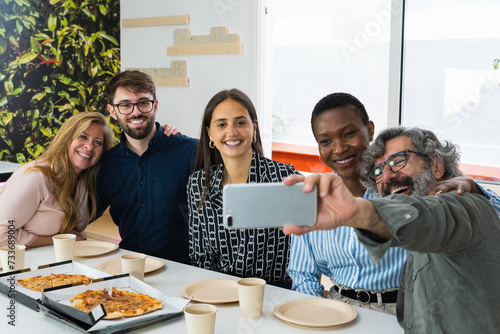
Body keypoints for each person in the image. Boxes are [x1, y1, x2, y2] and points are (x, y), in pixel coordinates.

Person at [287, 92, 500, 314]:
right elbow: (303, 274)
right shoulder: (318, 197)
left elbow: (451, 220)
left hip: (406, 307)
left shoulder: (408, 191)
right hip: (338, 308)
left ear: (369, 130)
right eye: (326, 141)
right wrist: (311, 317)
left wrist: (477, 191)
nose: (339, 149)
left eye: (349, 133)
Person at [187, 88, 299, 287]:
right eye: (222, 124)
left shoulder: (285, 178)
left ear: (254, 129)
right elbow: (199, 257)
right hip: (218, 290)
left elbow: (303, 255)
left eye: (240, 123)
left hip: (275, 293)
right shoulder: (197, 184)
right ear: (210, 134)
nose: (232, 132)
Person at [96, 70, 198, 263]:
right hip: (128, 265)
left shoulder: (190, 151)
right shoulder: (107, 164)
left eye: (143, 102)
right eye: (125, 105)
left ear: (155, 105)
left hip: (184, 268)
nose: (136, 112)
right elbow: (83, 213)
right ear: (112, 111)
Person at [0, 112, 114, 248]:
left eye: (97, 142)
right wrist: (55, 239)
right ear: (66, 138)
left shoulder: (84, 181)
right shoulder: (35, 177)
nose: (89, 146)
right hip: (19, 264)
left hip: (57, 261)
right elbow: (2, 234)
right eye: (83, 137)